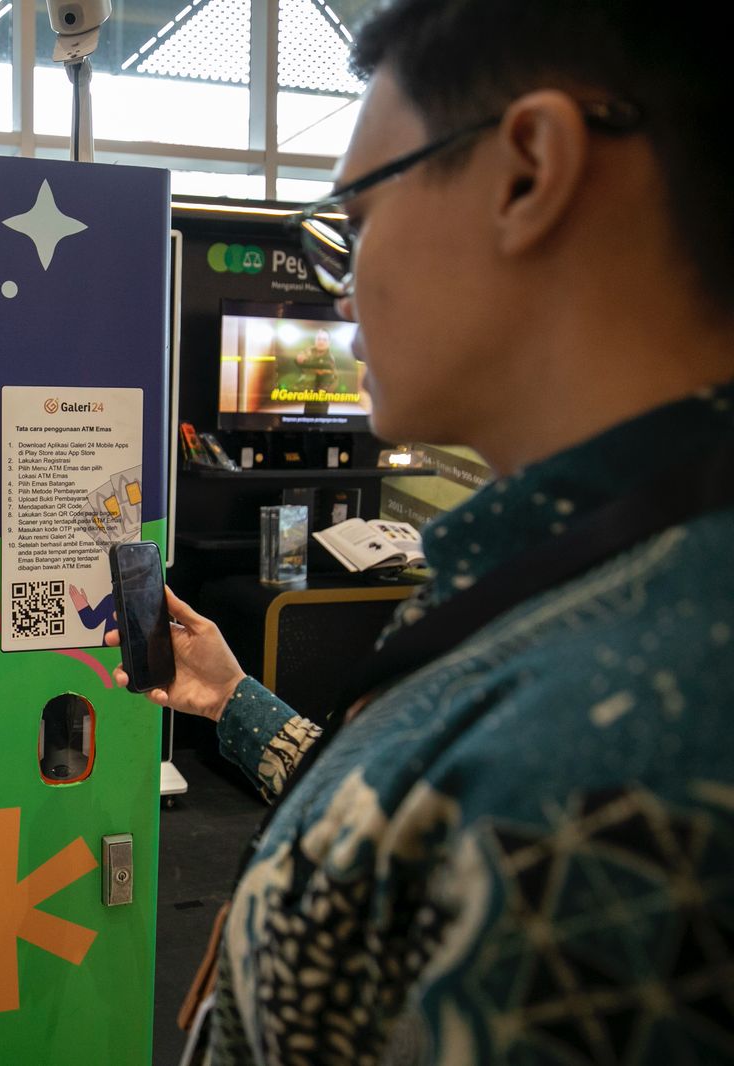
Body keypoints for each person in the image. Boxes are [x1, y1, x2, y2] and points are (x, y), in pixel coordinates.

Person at [112, 3, 734, 1062]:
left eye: (355, 218)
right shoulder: (587, 576)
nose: (341, 288)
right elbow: (407, 824)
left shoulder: (602, 776)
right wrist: (234, 702)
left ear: (529, 172)